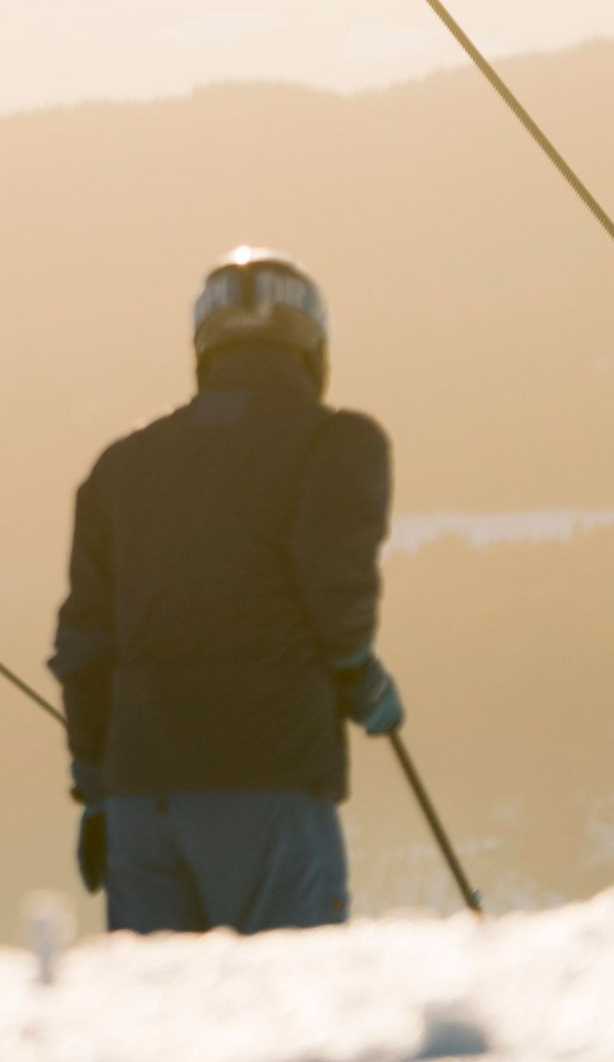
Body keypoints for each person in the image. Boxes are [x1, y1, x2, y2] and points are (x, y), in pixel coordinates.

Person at [49, 249, 399, 936]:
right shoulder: (336, 443)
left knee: (159, 1001)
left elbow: (84, 647)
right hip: (270, 773)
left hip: (141, 795)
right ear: (312, 346)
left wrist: (97, 788)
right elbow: (335, 586)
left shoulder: (122, 466)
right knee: (284, 990)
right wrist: (361, 677)